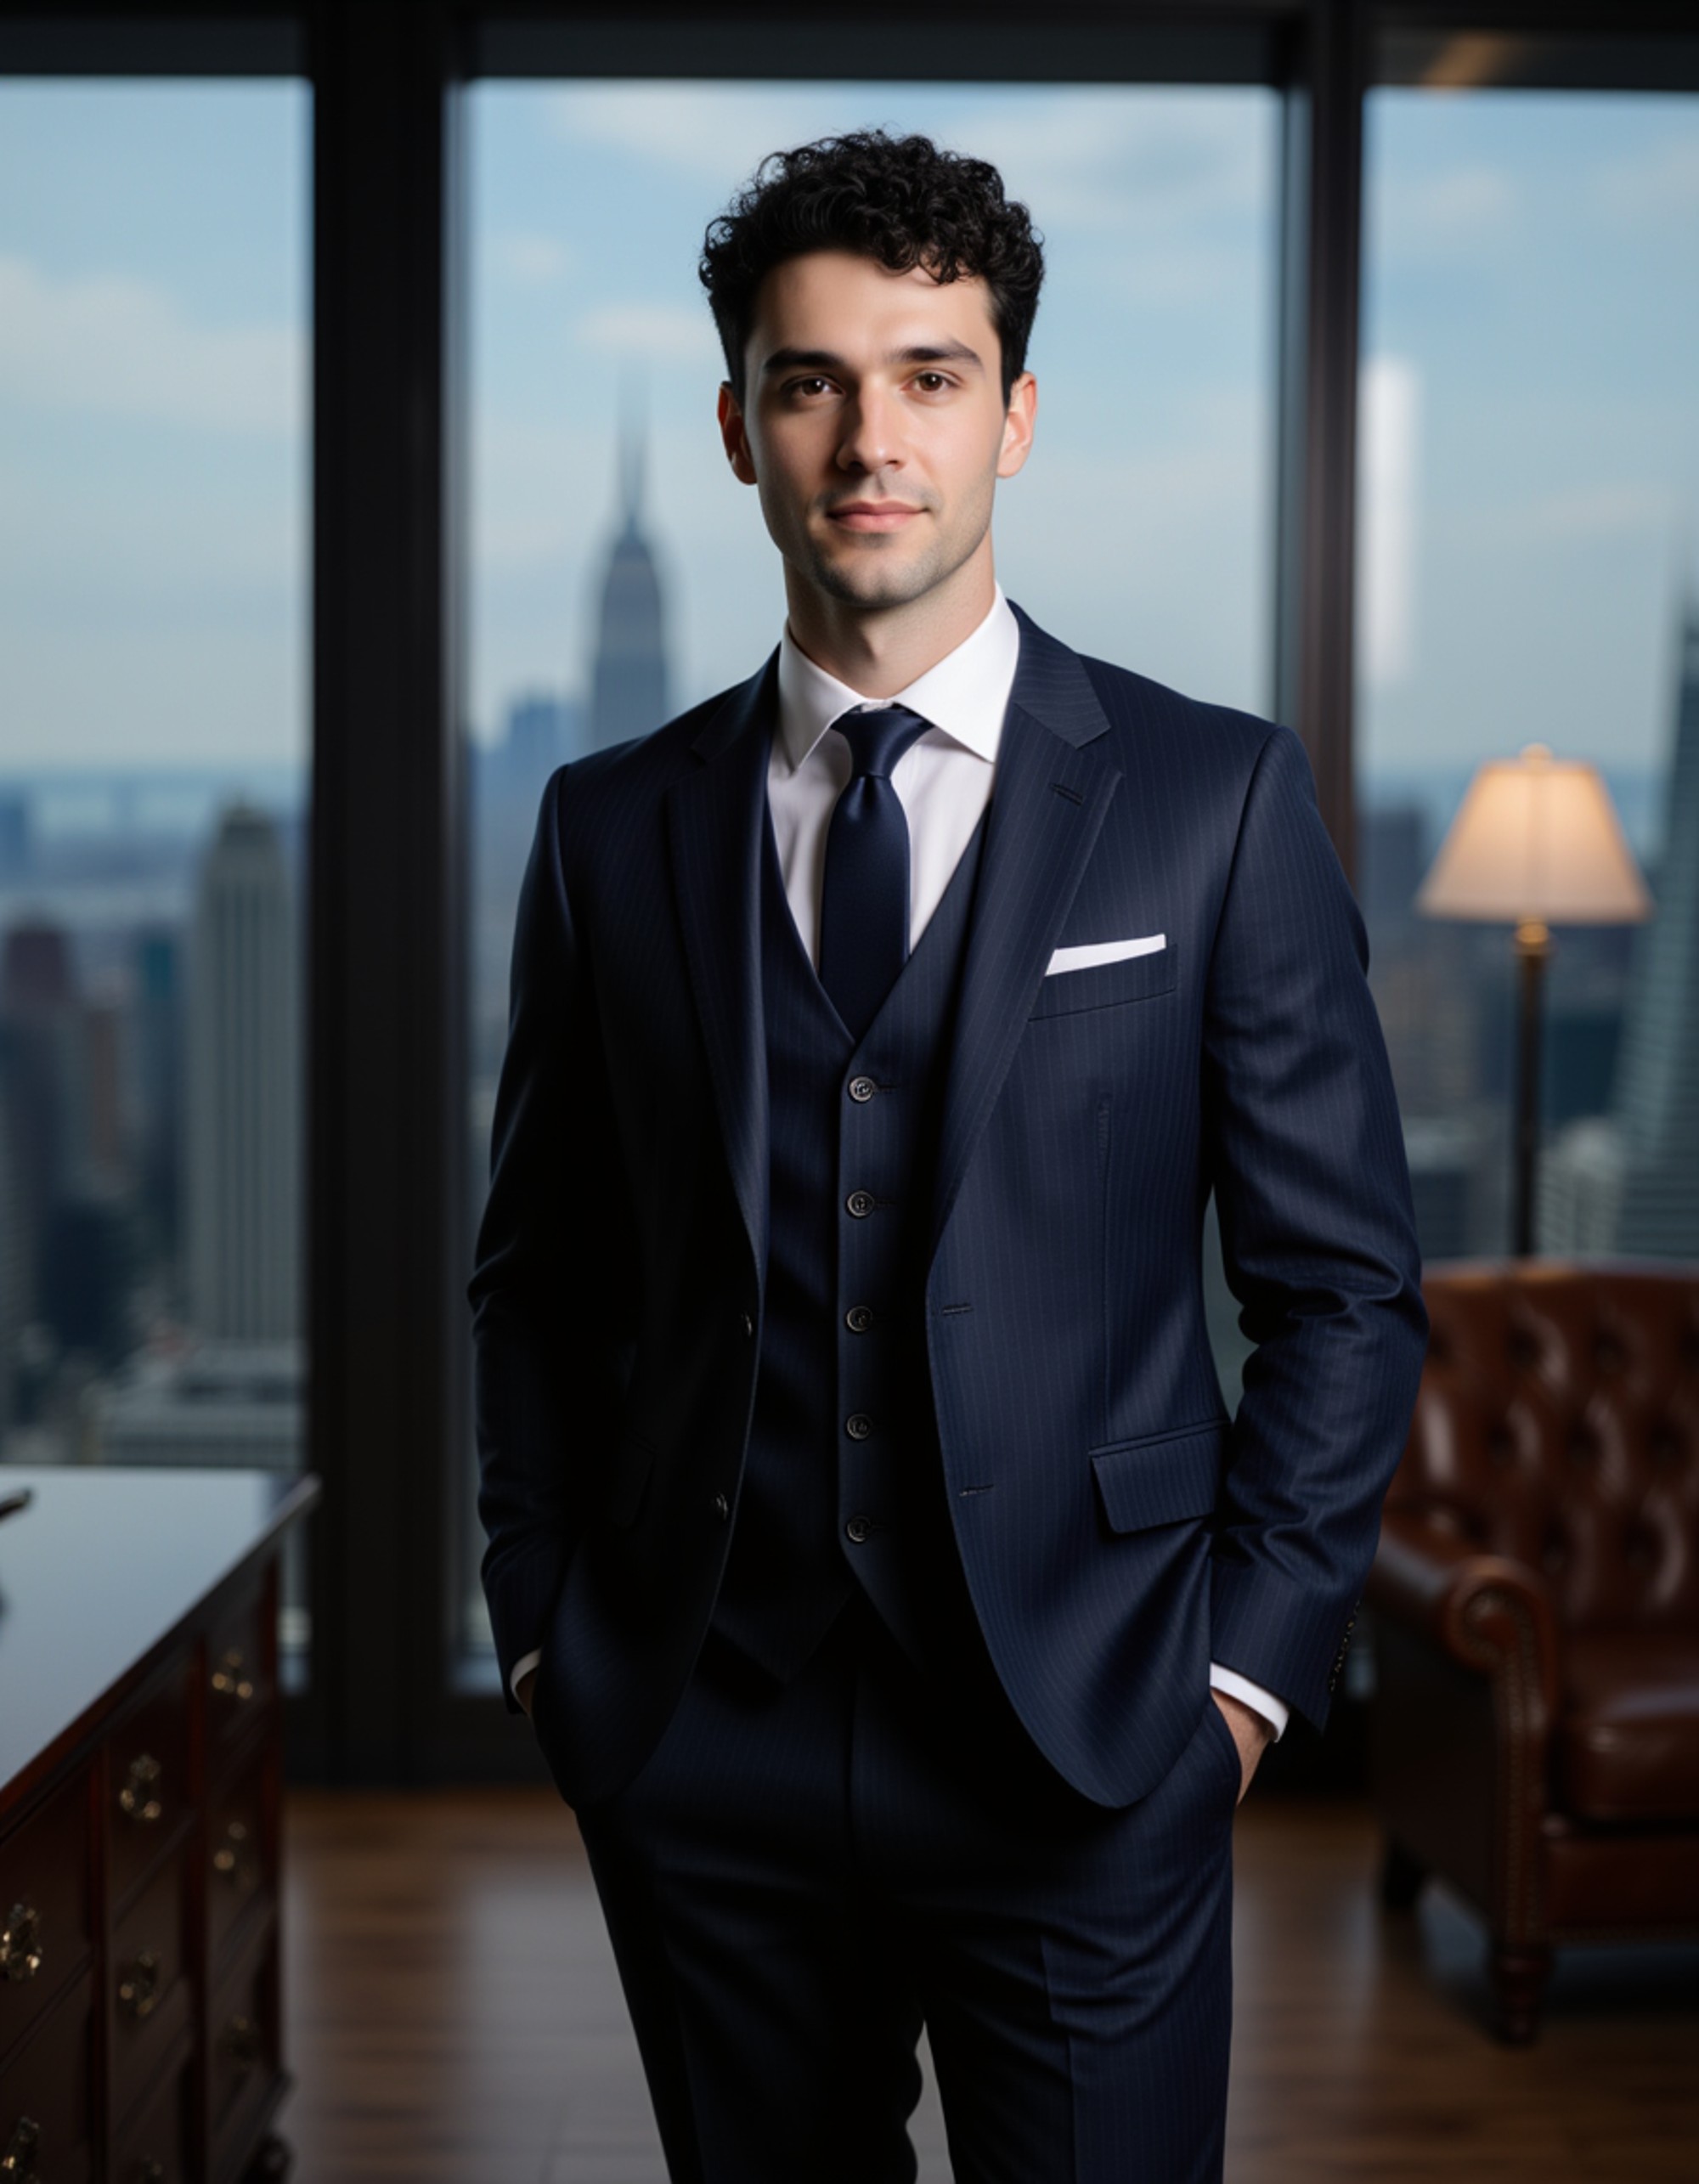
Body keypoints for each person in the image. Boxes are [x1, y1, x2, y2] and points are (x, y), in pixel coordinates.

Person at [471, 129, 1427, 2184]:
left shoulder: (1211, 799)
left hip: (1088, 1741)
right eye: (813, 381)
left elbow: (1339, 1290)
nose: (869, 436)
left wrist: (1237, 1690)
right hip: (701, 1744)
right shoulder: (605, 827)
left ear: (1016, 413)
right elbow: (537, 1273)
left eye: (928, 374)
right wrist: (549, 1633)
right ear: (741, 429)